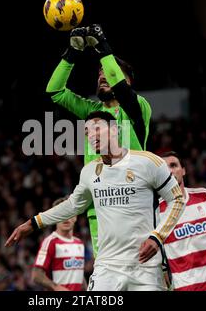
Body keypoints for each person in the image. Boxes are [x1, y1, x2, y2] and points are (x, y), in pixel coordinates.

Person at [6, 111, 185, 291]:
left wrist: (157, 237)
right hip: (107, 267)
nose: (91, 135)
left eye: (96, 128)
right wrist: (33, 223)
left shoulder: (148, 162)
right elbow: (72, 205)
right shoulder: (89, 171)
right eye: (87, 132)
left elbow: (177, 199)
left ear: (114, 130)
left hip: (146, 267)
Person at [46, 24, 152, 258]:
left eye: (110, 74)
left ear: (127, 82)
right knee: (107, 276)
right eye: (100, 74)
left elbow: (122, 93)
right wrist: (71, 55)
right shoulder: (92, 111)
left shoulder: (138, 108)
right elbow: (55, 92)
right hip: (99, 206)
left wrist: (104, 50)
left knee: (142, 271)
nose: (102, 76)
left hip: (132, 203)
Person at [158, 151, 206, 291]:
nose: (170, 170)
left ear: (183, 170)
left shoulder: (203, 196)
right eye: (165, 168)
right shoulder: (156, 211)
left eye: (174, 165)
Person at [31, 197, 86, 291]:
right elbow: (36, 275)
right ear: (55, 218)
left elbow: (79, 274)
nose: (65, 218)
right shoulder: (50, 242)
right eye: (61, 214)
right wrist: (56, 287)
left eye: (69, 213)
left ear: (75, 216)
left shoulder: (79, 243)